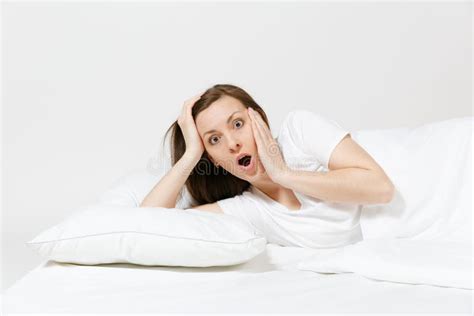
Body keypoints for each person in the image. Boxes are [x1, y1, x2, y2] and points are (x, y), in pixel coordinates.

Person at [140, 84, 395, 248]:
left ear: (259, 118)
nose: (232, 143)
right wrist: (192, 153)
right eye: (214, 140)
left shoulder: (300, 131)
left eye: (237, 124)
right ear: (212, 160)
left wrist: (284, 175)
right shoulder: (248, 210)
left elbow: (381, 188)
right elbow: (145, 224)